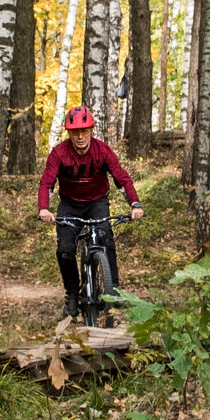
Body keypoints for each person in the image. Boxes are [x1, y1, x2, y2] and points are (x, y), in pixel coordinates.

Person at [38, 106, 144, 318]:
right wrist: (44, 208)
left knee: (106, 238)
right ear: (69, 133)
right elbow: (47, 183)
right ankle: (71, 295)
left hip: (97, 202)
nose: (80, 137)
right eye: (75, 132)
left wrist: (135, 204)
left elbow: (121, 178)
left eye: (84, 131)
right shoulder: (59, 153)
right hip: (69, 204)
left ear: (91, 131)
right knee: (65, 249)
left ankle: (113, 290)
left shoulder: (102, 151)